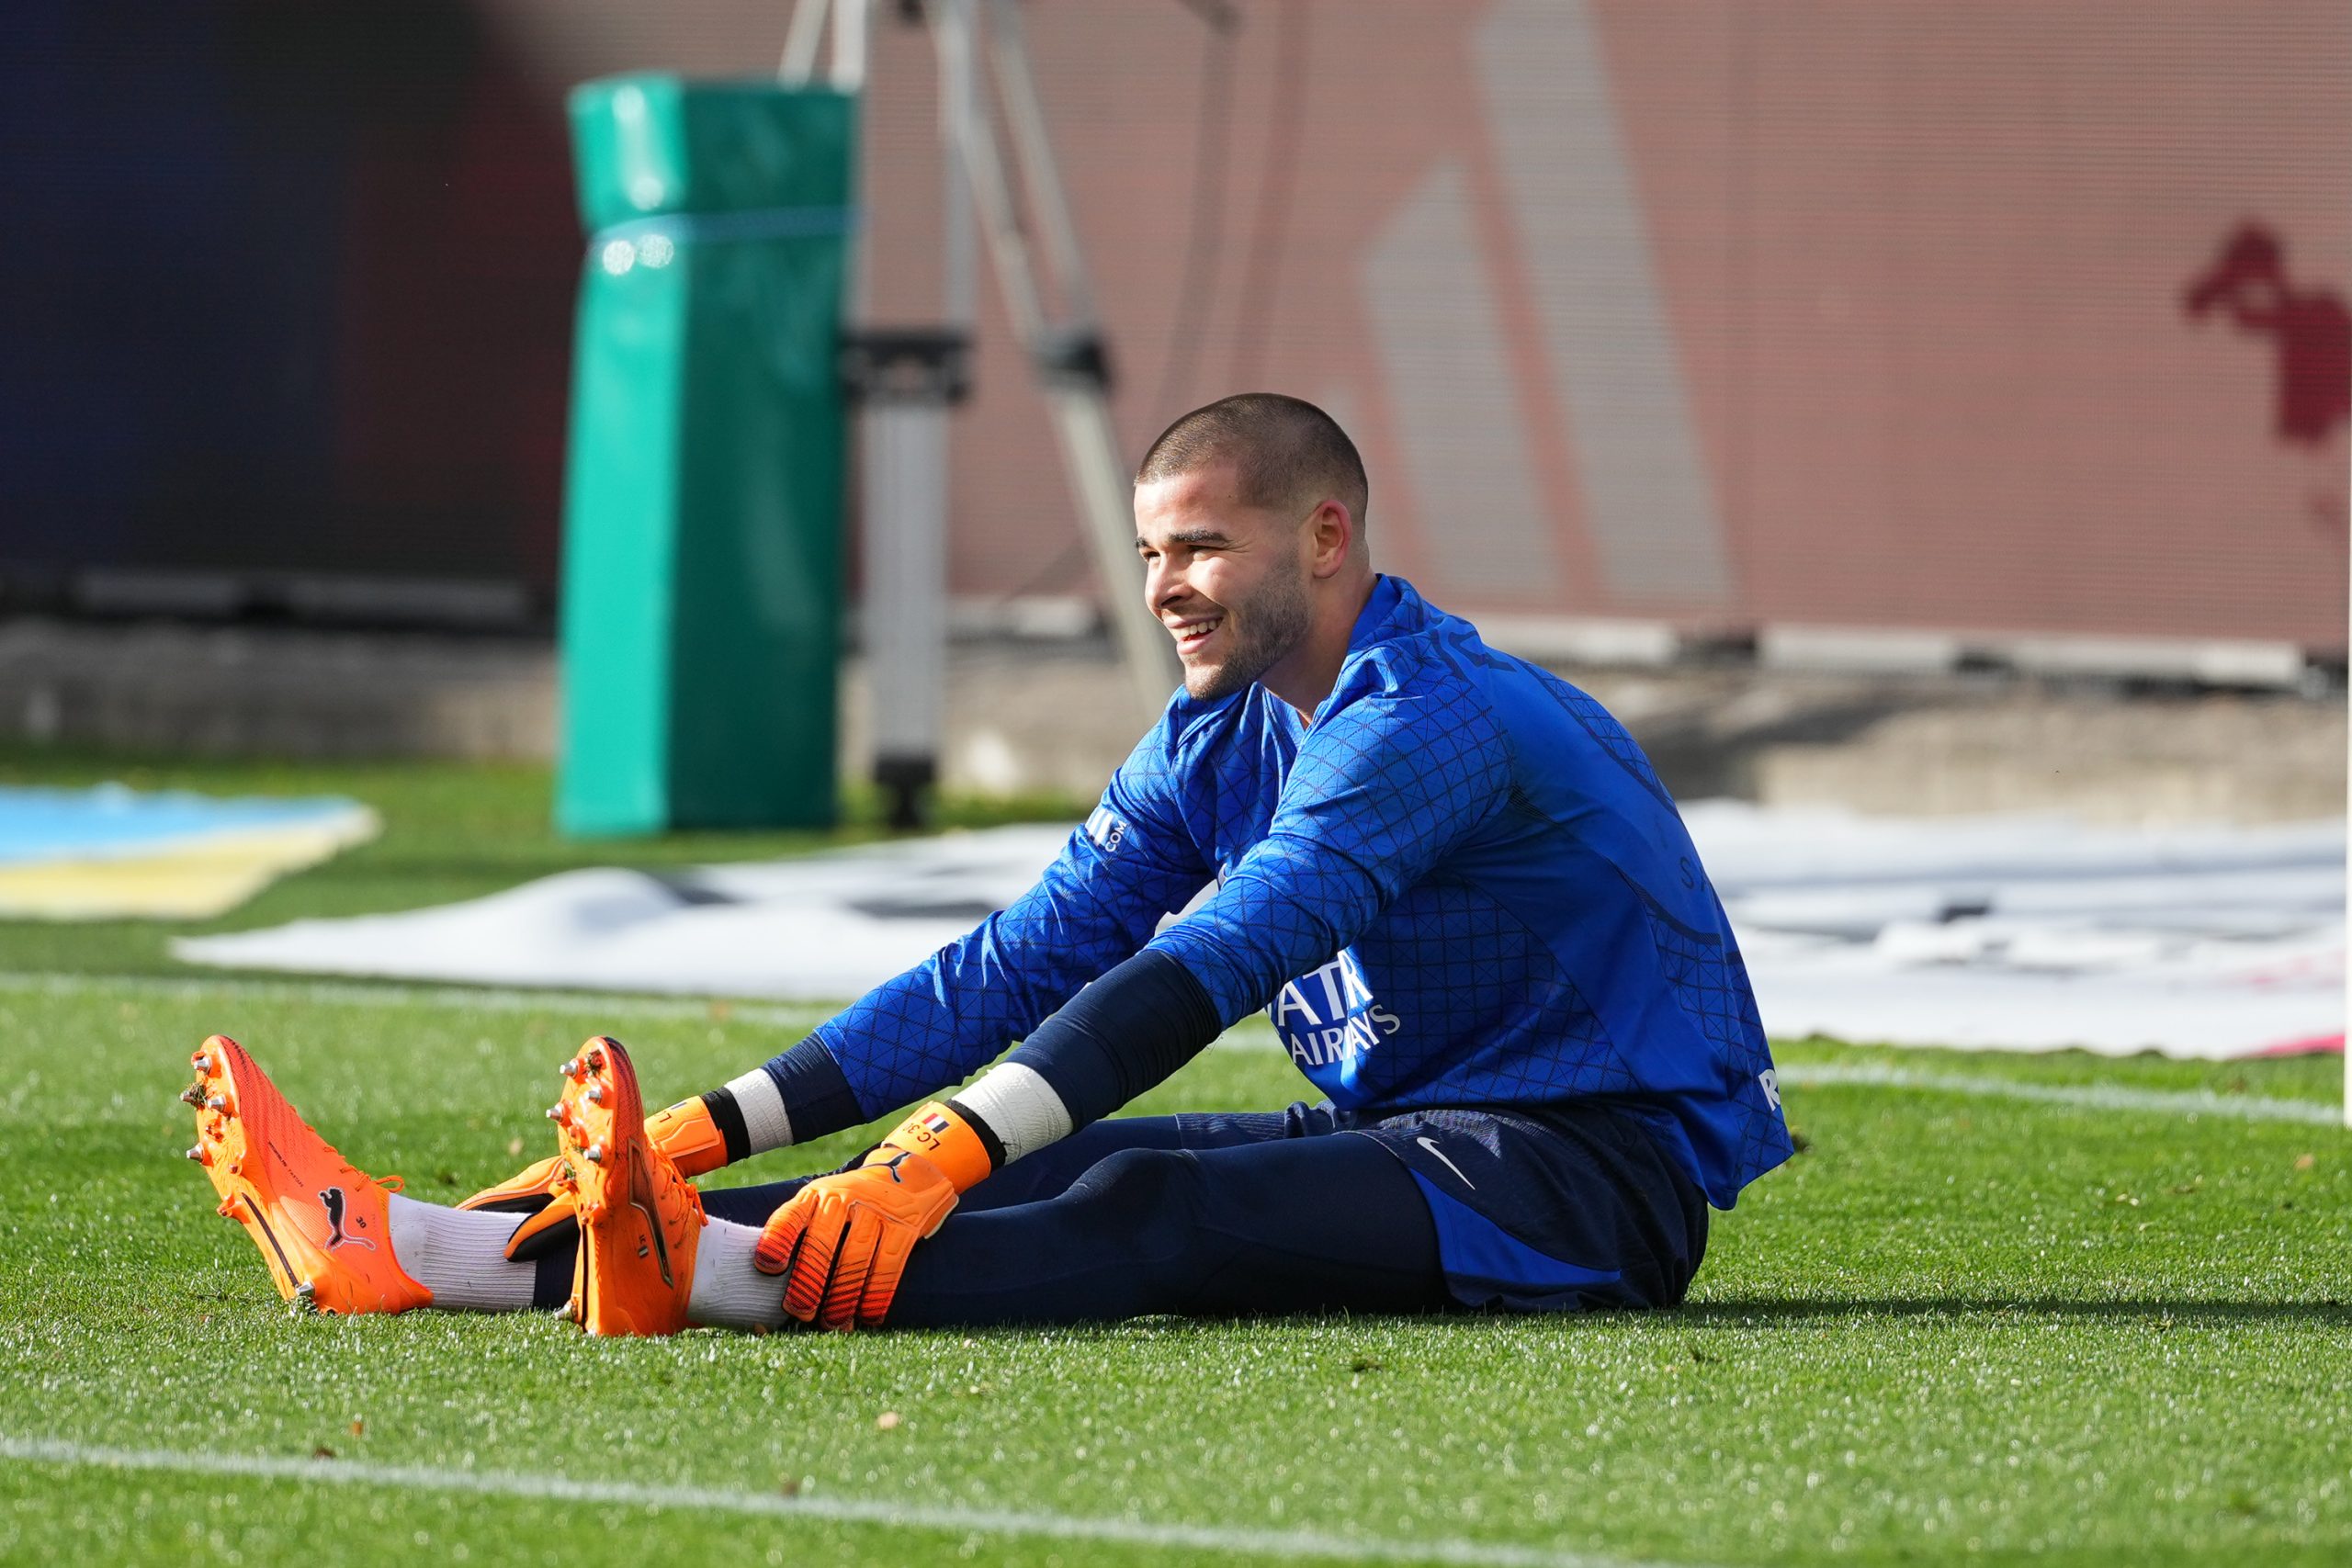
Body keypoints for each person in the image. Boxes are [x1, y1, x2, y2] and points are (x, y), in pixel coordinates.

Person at [182, 393, 1792, 1336]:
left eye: (1204, 547)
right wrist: (708, 1119)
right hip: (1411, 1123)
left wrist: (931, 1153)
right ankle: (422, 1247)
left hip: (1588, 1180)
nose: (1165, 584)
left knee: (1144, 1197)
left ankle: (689, 1279)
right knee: (1040, 1171)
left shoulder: (1436, 717)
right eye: (1153, 549)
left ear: (1325, 538)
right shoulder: (1216, 727)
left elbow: (1210, 963)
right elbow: (1017, 967)